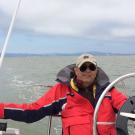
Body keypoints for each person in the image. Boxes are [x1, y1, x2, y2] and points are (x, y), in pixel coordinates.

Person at [0, 53, 127, 135]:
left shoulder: (109, 92)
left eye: (91, 67)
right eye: (83, 67)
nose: (87, 71)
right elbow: (33, 112)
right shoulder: (61, 91)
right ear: (76, 71)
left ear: (96, 71)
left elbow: (127, 106)